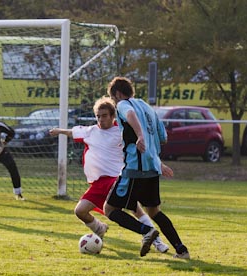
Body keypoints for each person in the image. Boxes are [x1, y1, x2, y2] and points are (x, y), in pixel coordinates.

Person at [49, 97, 169, 253]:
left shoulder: (121, 131)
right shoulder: (91, 131)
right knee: (80, 211)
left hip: (118, 178)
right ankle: (99, 229)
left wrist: (158, 163)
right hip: (99, 183)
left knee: (135, 209)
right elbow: (72, 132)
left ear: (113, 116)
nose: (101, 119)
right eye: (98, 116)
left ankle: (157, 241)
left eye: (104, 115)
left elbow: (144, 147)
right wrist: (58, 131)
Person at [104, 77, 189, 258]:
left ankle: (146, 231)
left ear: (117, 94)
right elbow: (163, 137)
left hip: (134, 169)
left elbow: (130, 115)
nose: (114, 101)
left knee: (110, 210)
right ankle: (181, 250)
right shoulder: (147, 107)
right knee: (154, 211)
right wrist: (154, 156)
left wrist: (140, 136)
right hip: (152, 169)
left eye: (112, 98)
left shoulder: (123, 104)